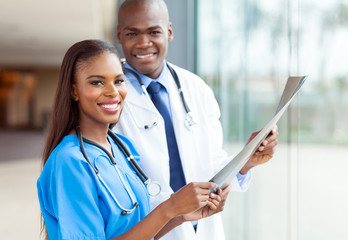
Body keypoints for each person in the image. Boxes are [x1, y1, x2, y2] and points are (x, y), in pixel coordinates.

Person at [114, 0, 279, 239]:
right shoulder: (110, 96)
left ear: (169, 32)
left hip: (205, 229)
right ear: (119, 35)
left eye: (154, 32)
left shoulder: (197, 89)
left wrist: (246, 161)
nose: (143, 43)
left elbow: (211, 163)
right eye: (132, 33)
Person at [37, 39, 226, 240]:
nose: (112, 92)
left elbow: (139, 231)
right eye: (97, 82)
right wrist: (169, 209)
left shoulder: (122, 147)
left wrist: (181, 216)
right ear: (74, 90)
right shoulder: (70, 162)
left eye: (118, 81)